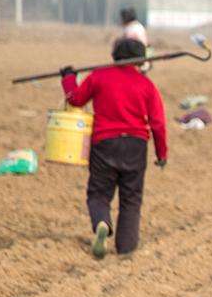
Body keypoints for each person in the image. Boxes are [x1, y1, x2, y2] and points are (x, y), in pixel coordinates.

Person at [60, 38, 167, 259]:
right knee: (131, 198)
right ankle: (126, 248)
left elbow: (76, 100)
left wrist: (69, 78)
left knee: (99, 193)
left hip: (104, 143)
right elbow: (158, 123)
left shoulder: (99, 76)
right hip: (136, 145)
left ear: (114, 55)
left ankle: (102, 222)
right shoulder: (146, 85)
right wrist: (161, 153)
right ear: (141, 59)